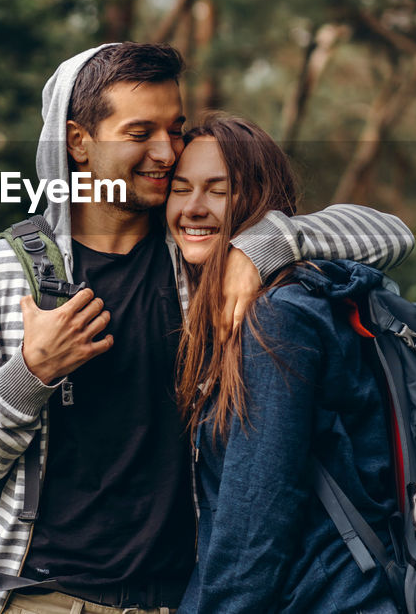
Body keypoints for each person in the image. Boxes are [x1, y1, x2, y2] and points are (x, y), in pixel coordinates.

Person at [0, 43, 414, 614]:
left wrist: (263, 248)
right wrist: (31, 373)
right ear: (78, 141)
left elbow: (389, 233)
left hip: (182, 599)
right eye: (139, 132)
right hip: (39, 602)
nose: (166, 151)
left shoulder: (202, 260)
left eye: (174, 130)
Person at [168, 115, 401, 614]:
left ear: (253, 198)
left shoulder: (276, 316)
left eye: (217, 190)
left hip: (327, 598)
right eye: (180, 188)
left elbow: (257, 518)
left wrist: (258, 248)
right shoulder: (218, 309)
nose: (192, 207)